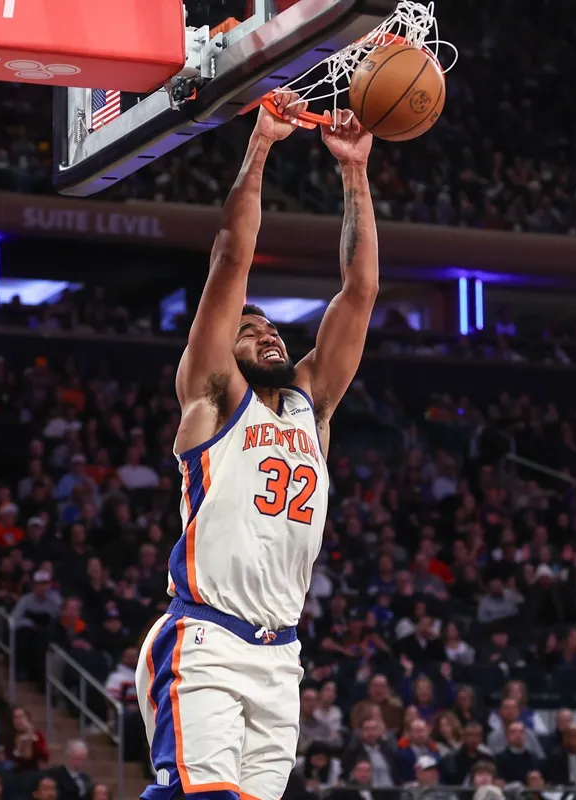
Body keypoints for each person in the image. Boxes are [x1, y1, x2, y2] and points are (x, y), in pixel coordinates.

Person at [135, 92, 379, 800]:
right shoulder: (212, 396)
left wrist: (354, 172)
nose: (267, 332)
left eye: (272, 328)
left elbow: (360, 291)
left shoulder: (311, 404)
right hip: (206, 637)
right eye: (250, 330)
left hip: (281, 655)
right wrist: (263, 144)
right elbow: (231, 256)